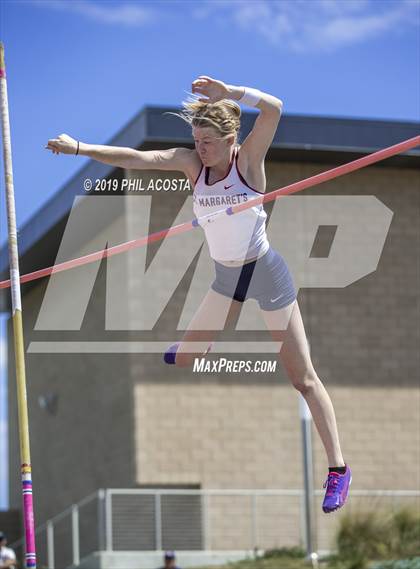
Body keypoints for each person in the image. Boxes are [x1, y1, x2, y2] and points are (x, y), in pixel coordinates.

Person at [46, 75, 352, 513]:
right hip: (226, 279)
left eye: (207, 141)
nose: (200, 148)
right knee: (187, 355)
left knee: (302, 379)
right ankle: (195, 345)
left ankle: (339, 470)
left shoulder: (247, 163)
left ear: (230, 139)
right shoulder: (194, 166)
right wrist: (81, 148)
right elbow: (140, 158)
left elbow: (275, 109)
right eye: (196, 139)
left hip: (266, 274)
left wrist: (232, 94)